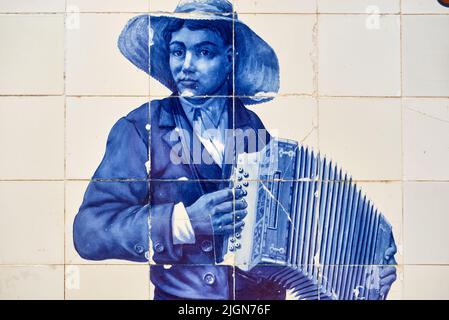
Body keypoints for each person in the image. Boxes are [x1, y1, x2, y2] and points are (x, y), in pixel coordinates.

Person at [73, 0, 396, 300]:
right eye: (177, 51)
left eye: (204, 52)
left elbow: (293, 229)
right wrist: (184, 222)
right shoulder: (140, 128)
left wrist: (362, 269)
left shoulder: (253, 127)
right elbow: (89, 231)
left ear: (229, 59)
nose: (186, 65)